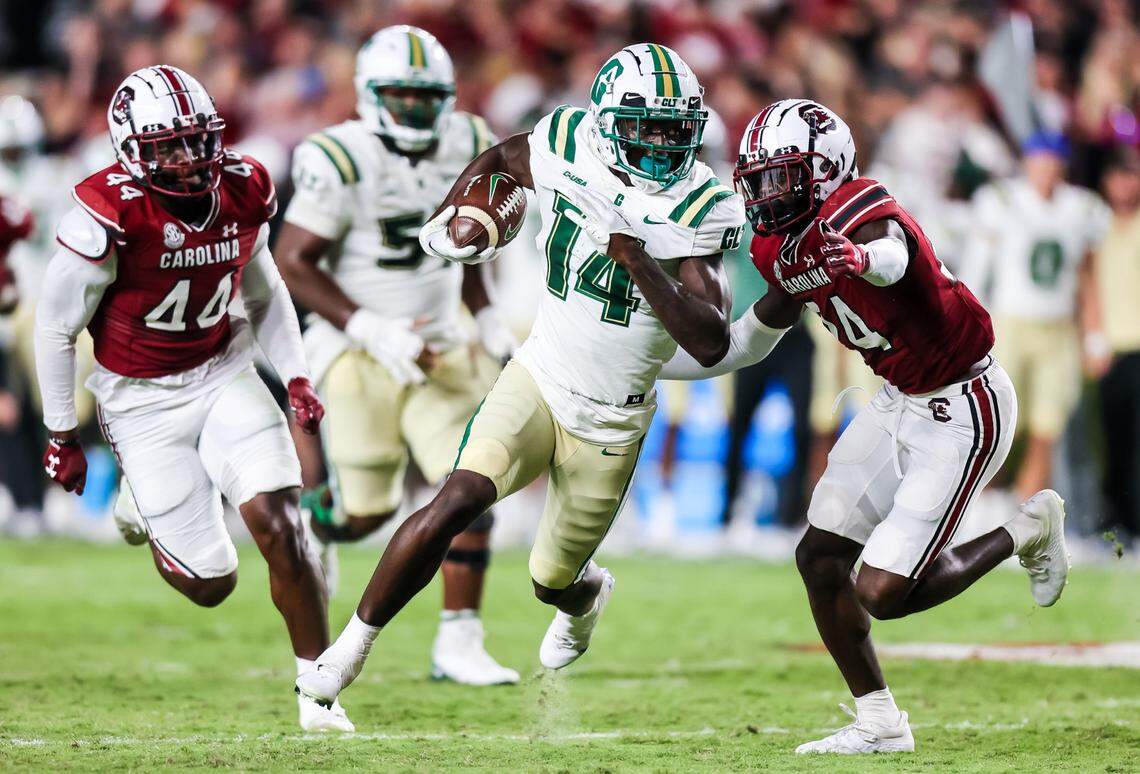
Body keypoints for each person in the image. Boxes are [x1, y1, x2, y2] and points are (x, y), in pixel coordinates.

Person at [295, 43, 744, 709]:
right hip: (538, 375)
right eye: (646, 125)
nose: (661, 142)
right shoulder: (569, 139)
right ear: (605, 121)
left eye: (675, 128)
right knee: (457, 498)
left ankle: (586, 594)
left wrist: (638, 258)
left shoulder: (702, 202)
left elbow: (708, 340)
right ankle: (349, 651)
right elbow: (503, 159)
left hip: (612, 416)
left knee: (550, 578)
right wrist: (461, 212)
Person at [657, 100, 1070, 754]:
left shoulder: (859, 208)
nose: (764, 194)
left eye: (779, 177)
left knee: (882, 591)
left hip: (964, 400)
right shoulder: (773, 242)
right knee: (819, 558)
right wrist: (659, 361)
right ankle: (880, 722)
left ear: (823, 173)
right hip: (896, 397)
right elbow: (749, 338)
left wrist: (850, 255)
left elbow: (893, 255)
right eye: (756, 177)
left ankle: (1027, 528)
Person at [34, 66, 352, 732]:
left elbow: (263, 290)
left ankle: (317, 692)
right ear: (130, 150)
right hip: (141, 400)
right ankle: (140, 502)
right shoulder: (110, 211)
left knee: (281, 524)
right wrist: (61, 434)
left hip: (222, 369)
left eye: (195, 140)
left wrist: (295, 376)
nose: (185, 159)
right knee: (210, 584)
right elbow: (56, 327)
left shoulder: (243, 187)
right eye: (165, 147)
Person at [274, 25, 518, 686]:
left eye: (425, 95)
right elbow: (291, 260)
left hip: (441, 345)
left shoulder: (469, 139)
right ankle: (319, 526)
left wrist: (487, 312)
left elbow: (468, 241)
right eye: (401, 95)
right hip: (357, 349)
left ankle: (459, 640)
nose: (414, 108)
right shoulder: (339, 155)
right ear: (371, 94)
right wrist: (372, 327)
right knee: (366, 514)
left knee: (472, 488)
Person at [960, 132, 1110, 501]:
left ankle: (1021, 516)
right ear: (1027, 163)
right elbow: (978, 270)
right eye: (1040, 160)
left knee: (1047, 427)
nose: (1046, 169)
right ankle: (984, 506)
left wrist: (1094, 336)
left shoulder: (1082, 208)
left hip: (1057, 327)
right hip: (1009, 324)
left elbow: (1087, 276)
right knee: (998, 425)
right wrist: (966, 327)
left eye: (1053, 161)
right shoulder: (1002, 200)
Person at [1092, 146, 1140, 548]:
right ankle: (1114, 518)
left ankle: (1134, 521)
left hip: (1137, 345)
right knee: (1110, 438)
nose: (1127, 184)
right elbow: (1086, 284)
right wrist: (1092, 338)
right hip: (1108, 347)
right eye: (1121, 175)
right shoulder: (1096, 224)